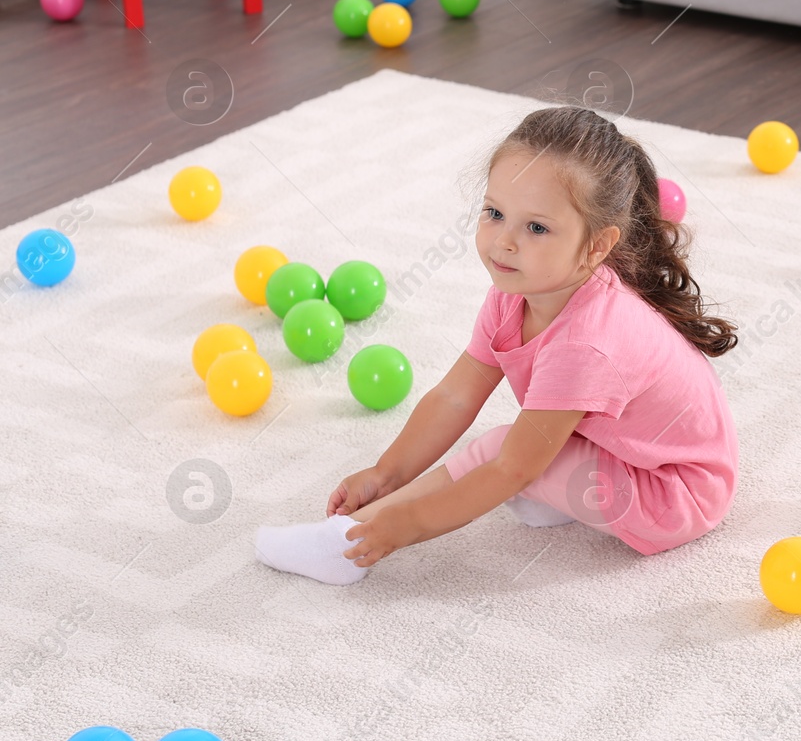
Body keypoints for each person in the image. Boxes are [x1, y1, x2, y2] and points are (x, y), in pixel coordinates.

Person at [255, 107, 740, 584]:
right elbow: (456, 395)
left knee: (499, 451)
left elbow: (509, 468)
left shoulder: (587, 343)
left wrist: (407, 524)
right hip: (622, 454)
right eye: (494, 213)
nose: (503, 242)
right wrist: (386, 474)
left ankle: (344, 545)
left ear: (597, 246)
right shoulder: (514, 296)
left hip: (676, 495)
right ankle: (556, 490)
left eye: (536, 228)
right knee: (519, 449)